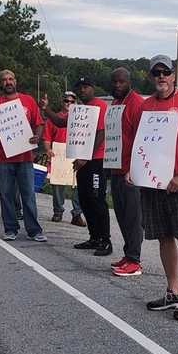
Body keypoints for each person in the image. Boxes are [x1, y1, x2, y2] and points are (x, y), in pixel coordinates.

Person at [123, 55, 178, 320]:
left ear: (174, 75)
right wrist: (132, 169)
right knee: (163, 236)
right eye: (156, 73)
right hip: (153, 183)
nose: (161, 76)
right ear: (151, 77)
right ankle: (174, 290)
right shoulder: (145, 106)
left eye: (166, 72)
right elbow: (139, 142)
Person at [0, 69, 46, 241]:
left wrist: (37, 136)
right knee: (6, 194)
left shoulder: (28, 100)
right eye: (4, 80)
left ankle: (34, 230)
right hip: (3, 157)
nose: (8, 82)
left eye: (11, 79)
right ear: (0, 83)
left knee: (28, 194)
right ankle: (10, 228)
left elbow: (39, 123)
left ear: (15, 81)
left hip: (25, 156)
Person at [67, 77, 112, 256]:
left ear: (92, 88)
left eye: (86, 87)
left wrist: (87, 156)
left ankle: (105, 240)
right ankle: (94, 236)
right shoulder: (79, 108)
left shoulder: (100, 105)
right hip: (83, 160)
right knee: (85, 198)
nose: (83, 90)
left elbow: (102, 132)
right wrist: (46, 109)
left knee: (97, 199)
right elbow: (63, 122)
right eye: (80, 88)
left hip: (96, 160)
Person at [108, 67, 146, 277]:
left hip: (130, 171)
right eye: (114, 82)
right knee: (122, 215)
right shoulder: (115, 104)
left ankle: (135, 259)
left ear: (129, 82)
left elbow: (142, 138)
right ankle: (128, 252)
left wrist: (135, 168)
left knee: (133, 217)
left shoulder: (136, 104)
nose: (117, 85)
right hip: (115, 167)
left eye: (121, 82)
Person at [43, 91, 85, 226]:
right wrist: (48, 149)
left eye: (72, 101)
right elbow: (47, 137)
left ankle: (77, 214)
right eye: (67, 101)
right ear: (62, 102)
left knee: (78, 185)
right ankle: (58, 211)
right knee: (57, 184)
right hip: (59, 153)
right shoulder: (54, 118)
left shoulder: (81, 118)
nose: (69, 104)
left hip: (75, 153)